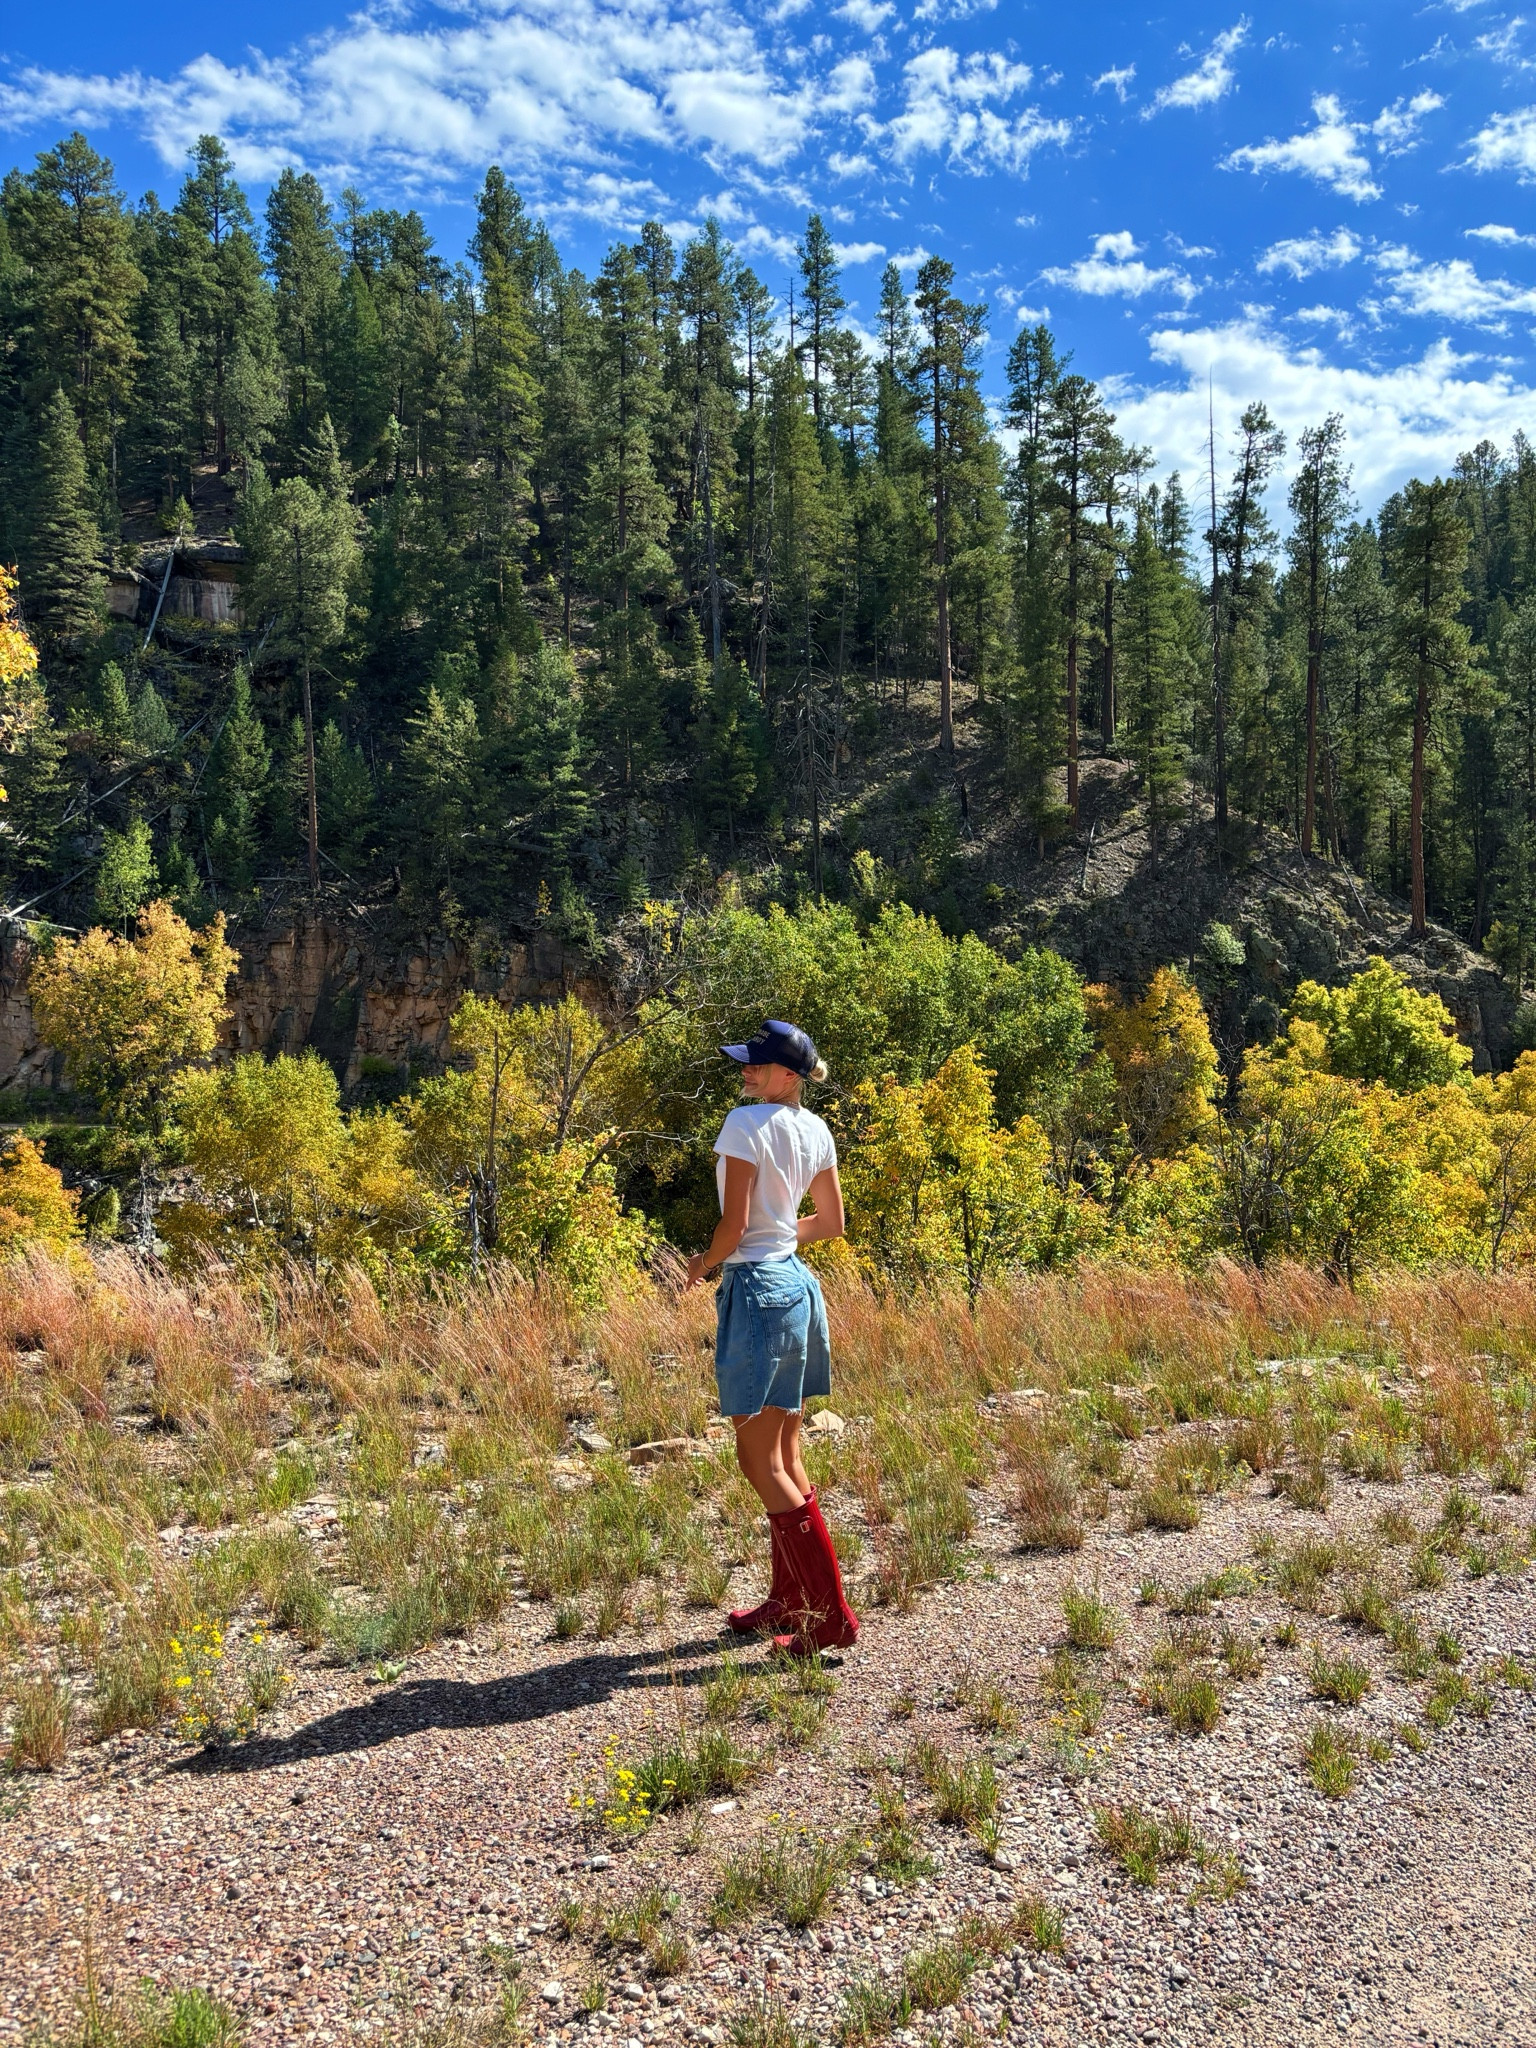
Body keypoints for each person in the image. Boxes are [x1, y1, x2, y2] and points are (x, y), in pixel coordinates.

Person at [685, 1020, 859, 1656]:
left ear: (788, 1076)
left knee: (758, 1462)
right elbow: (832, 1223)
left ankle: (829, 1617)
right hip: (797, 1286)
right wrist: (782, 1236)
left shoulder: (744, 1123)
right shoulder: (816, 1130)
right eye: (746, 1063)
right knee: (785, 1455)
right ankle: (791, 1599)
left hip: (758, 1290)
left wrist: (700, 1266)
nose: (746, 1072)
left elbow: (733, 1227)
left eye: (756, 1065)